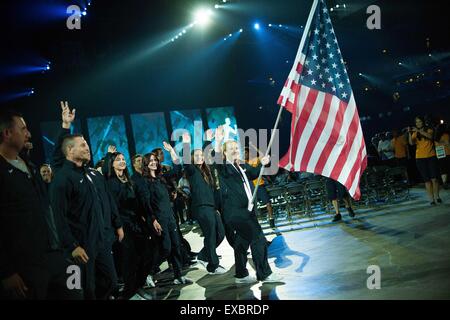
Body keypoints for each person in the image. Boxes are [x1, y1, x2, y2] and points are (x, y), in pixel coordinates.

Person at [0, 109, 82, 300]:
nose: (28, 133)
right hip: (27, 265)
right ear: (7, 134)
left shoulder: (28, 164)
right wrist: (5, 272)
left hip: (58, 254)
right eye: (23, 129)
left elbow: (56, 157)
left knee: (76, 291)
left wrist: (65, 127)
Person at [50, 102, 124, 299]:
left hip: (101, 239)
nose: (87, 147)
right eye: (82, 145)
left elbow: (107, 201)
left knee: (111, 283)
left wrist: (116, 224)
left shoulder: (92, 174)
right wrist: (72, 246)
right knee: (83, 290)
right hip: (80, 246)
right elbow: (59, 217)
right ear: (70, 151)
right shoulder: (63, 178)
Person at [214, 130, 282, 284]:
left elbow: (255, 173)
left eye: (236, 148)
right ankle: (264, 274)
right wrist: (218, 141)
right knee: (258, 238)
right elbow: (216, 158)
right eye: (231, 148)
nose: (235, 150)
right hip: (236, 212)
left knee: (242, 242)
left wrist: (263, 163)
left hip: (247, 211)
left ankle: (241, 275)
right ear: (225, 153)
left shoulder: (242, 166)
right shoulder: (224, 167)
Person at [102, 147, 160, 299]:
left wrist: (150, 219)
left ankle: (138, 286)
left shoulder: (129, 181)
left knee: (147, 255)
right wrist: (118, 227)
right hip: (122, 225)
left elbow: (139, 203)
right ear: (111, 164)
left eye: (123, 159)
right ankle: (130, 292)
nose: (121, 162)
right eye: (117, 160)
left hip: (136, 223)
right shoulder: (110, 182)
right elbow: (112, 207)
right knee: (130, 260)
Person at [172, 133, 226, 275]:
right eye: (196, 156)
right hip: (201, 208)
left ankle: (203, 255)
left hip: (212, 208)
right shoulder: (192, 171)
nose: (200, 157)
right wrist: (186, 144)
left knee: (220, 234)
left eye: (201, 155)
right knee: (210, 235)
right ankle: (213, 265)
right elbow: (186, 162)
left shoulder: (207, 172)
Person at [142, 150, 193, 285]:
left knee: (176, 246)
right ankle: (149, 272)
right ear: (146, 165)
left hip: (170, 217)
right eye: (150, 161)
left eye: (155, 160)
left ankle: (178, 276)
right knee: (166, 248)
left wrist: (171, 151)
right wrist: (153, 220)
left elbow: (177, 169)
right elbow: (146, 204)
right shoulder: (145, 182)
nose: (154, 162)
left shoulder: (161, 178)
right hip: (159, 219)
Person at [408, 116, 441, 205]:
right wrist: (409, 133)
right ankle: (431, 199)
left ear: (423, 122)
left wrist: (418, 131)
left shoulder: (429, 129)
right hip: (420, 158)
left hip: (431, 156)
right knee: (427, 180)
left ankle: (437, 196)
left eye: (419, 121)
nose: (418, 123)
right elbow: (411, 143)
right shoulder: (415, 132)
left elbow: (430, 137)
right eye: (416, 122)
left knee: (434, 179)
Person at [244, 147, 275, 229]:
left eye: (246, 153)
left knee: (267, 202)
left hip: (259, 185)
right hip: (250, 187)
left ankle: (271, 219)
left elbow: (263, 156)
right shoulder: (243, 163)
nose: (244, 154)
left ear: (249, 153)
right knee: (252, 206)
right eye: (243, 153)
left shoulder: (255, 159)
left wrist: (254, 146)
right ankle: (255, 223)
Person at [435, 123, 450, 189]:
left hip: (440, 155)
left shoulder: (436, 137)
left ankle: (444, 182)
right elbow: (448, 144)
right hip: (447, 153)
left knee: (443, 169)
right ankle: (446, 182)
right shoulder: (446, 135)